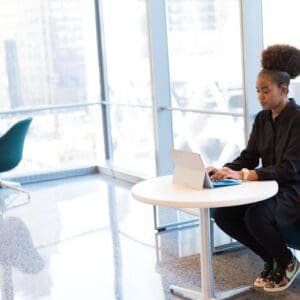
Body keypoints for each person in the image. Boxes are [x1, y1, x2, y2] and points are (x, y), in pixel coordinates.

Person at [208, 44, 300, 292]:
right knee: (223, 214)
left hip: (293, 190)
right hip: (267, 187)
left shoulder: (298, 119)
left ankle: (287, 261)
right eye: (258, 90)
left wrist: (247, 175)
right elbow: (249, 156)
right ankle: (271, 259)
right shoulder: (262, 119)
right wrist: (225, 170)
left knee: (255, 215)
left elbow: (290, 168)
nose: (260, 96)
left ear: (283, 89)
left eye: (265, 90)